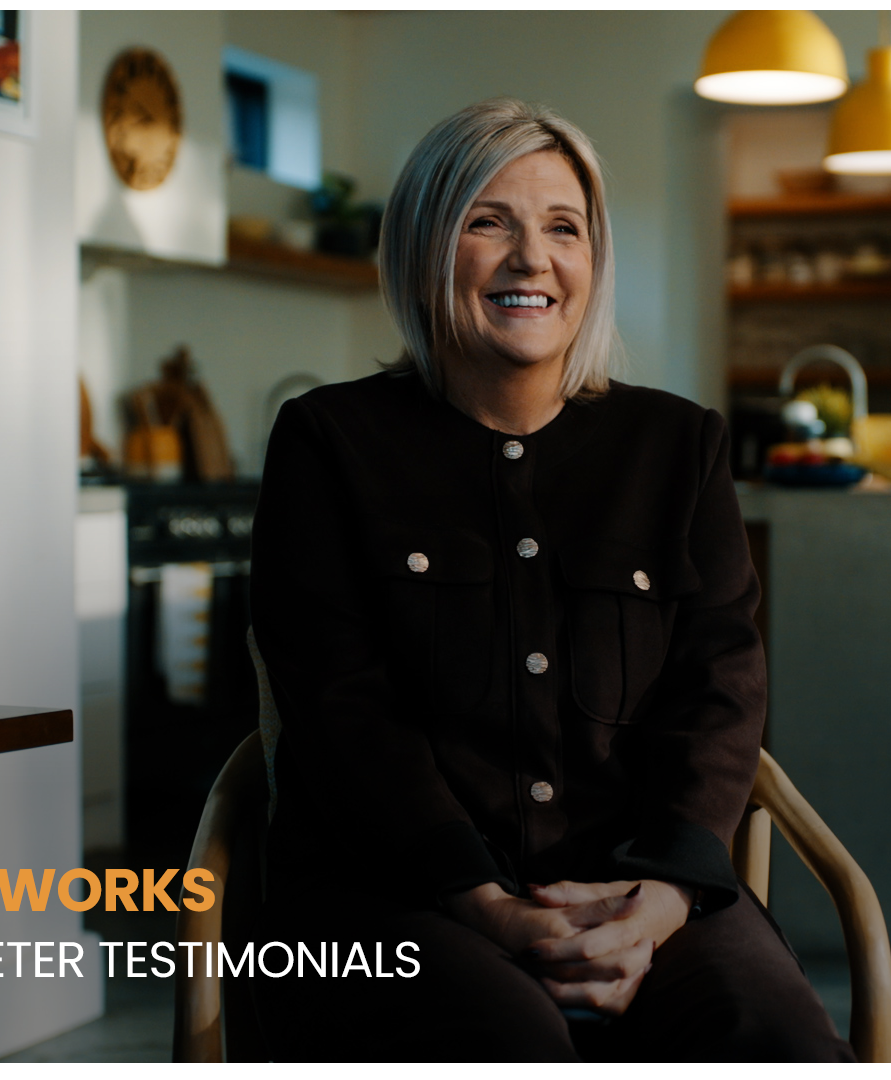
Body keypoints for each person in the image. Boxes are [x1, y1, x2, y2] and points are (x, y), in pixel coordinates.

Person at [249, 98, 852, 1064]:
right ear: (424, 249)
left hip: (638, 887)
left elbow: (720, 691)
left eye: (563, 228)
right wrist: (485, 905)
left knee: (775, 1044)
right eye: (490, 221)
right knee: (505, 1047)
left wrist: (656, 904)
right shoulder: (327, 444)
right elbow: (341, 710)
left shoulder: (678, 446)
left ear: (593, 262)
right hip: (391, 893)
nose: (533, 258)